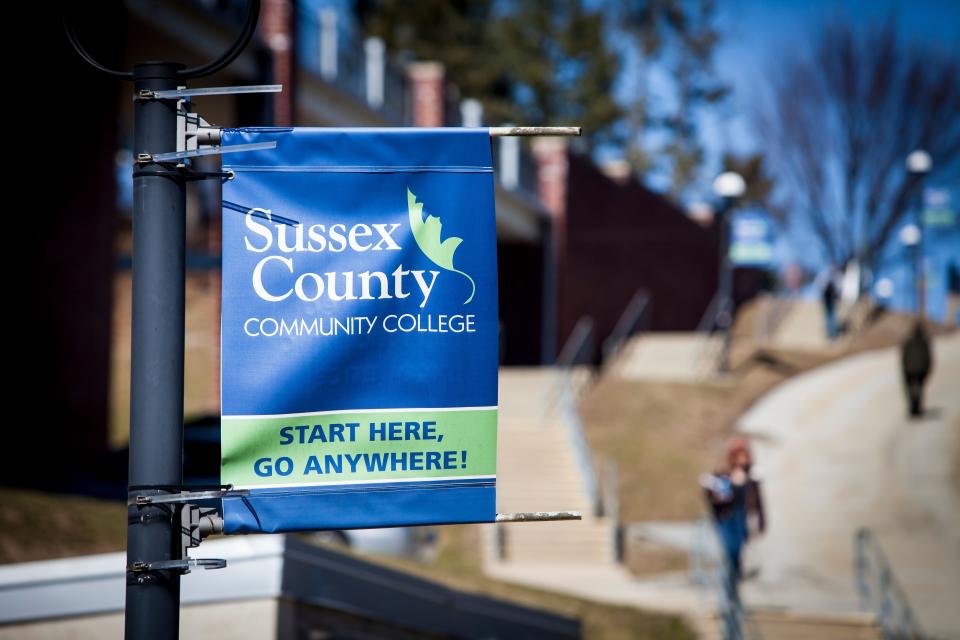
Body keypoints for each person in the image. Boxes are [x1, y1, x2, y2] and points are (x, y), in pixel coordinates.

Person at [702, 438, 766, 606]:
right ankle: (729, 587)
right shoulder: (723, 475)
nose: (742, 460)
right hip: (726, 518)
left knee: (737, 552)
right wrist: (726, 488)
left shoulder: (753, 476)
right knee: (729, 550)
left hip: (742, 518)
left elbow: (759, 502)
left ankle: (734, 586)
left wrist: (761, 523)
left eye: (744, 456)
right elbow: (716, 498)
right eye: (739, 456)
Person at [900, 321, 933, 418]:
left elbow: (904, 356)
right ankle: (916, 408)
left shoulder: (908, 340)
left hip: (910, 369)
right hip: (921, 369)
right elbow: (928, 357)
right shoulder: (924, 341)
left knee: (911, 389)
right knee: (919, 388)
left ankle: (913, 408)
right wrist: (927, 369)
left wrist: (904, 367)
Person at [822, 270, 839, 339]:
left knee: (831, 319)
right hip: (829, 308)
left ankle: (832, 334)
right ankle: (831, 334)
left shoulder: (830, 288)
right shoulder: (828, 289)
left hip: (830, 308)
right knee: (830, 319)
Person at [946, 261, 960, 328]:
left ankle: (951, 325)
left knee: (952, 312)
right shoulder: (954, 276)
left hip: (954, 293)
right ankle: (950, 326)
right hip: (953, 294)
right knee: (951, 312)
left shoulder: (955, 276)